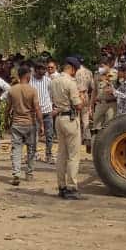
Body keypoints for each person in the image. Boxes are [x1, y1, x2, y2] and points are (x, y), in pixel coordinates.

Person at [49, 57, 85, 200]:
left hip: (58, 119)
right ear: (72, 68)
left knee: (61, 155)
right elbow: (78, 105)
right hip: (70, 120)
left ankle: (61, 186)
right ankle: (72, 187)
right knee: (73, 156)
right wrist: (82, 98)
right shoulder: (70, 82)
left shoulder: (53, 82)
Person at [5, 65, 42, 186]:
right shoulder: (32, 90)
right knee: (31, 149)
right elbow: (37, 108)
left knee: (16, 149)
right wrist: (41, 124)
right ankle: (29, 173)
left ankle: (16, 173)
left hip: (16, 123)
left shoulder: (12, 90)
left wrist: (6, 120)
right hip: (30, 123)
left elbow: (8, 108)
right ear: (27, 75)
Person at [29, 63, 54, 162]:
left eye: (44, 69)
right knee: (34, 135)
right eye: (41, 69)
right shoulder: (30, 81)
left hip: (47, 111)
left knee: (49, 134)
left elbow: (51, 94)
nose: (44, 71)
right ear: (36, 70)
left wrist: (52, 106)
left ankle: (49, 155)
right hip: (35, 112)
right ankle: (34, 154)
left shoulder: (48, 81)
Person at [72, 57, 96, 152]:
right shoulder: (89, 72)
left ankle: (77, 140)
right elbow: (92, 86)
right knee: (85, 119)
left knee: (76, 119)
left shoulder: (74, 72)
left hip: (76, 95)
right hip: (85, 95)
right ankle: (87, 139)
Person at [93, 60, 117, 141]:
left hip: (111, 104)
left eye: (103, 66)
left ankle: (107, 145)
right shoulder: (96, 74)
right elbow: (94, 90)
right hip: (100, 104)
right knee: (96, 126)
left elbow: (118, 88)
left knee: (109, 126)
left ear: (108, 65)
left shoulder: (115, 74)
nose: (101, 68)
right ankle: (95, 145)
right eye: (100, 66)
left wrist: (107, 79)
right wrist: (91, 104)